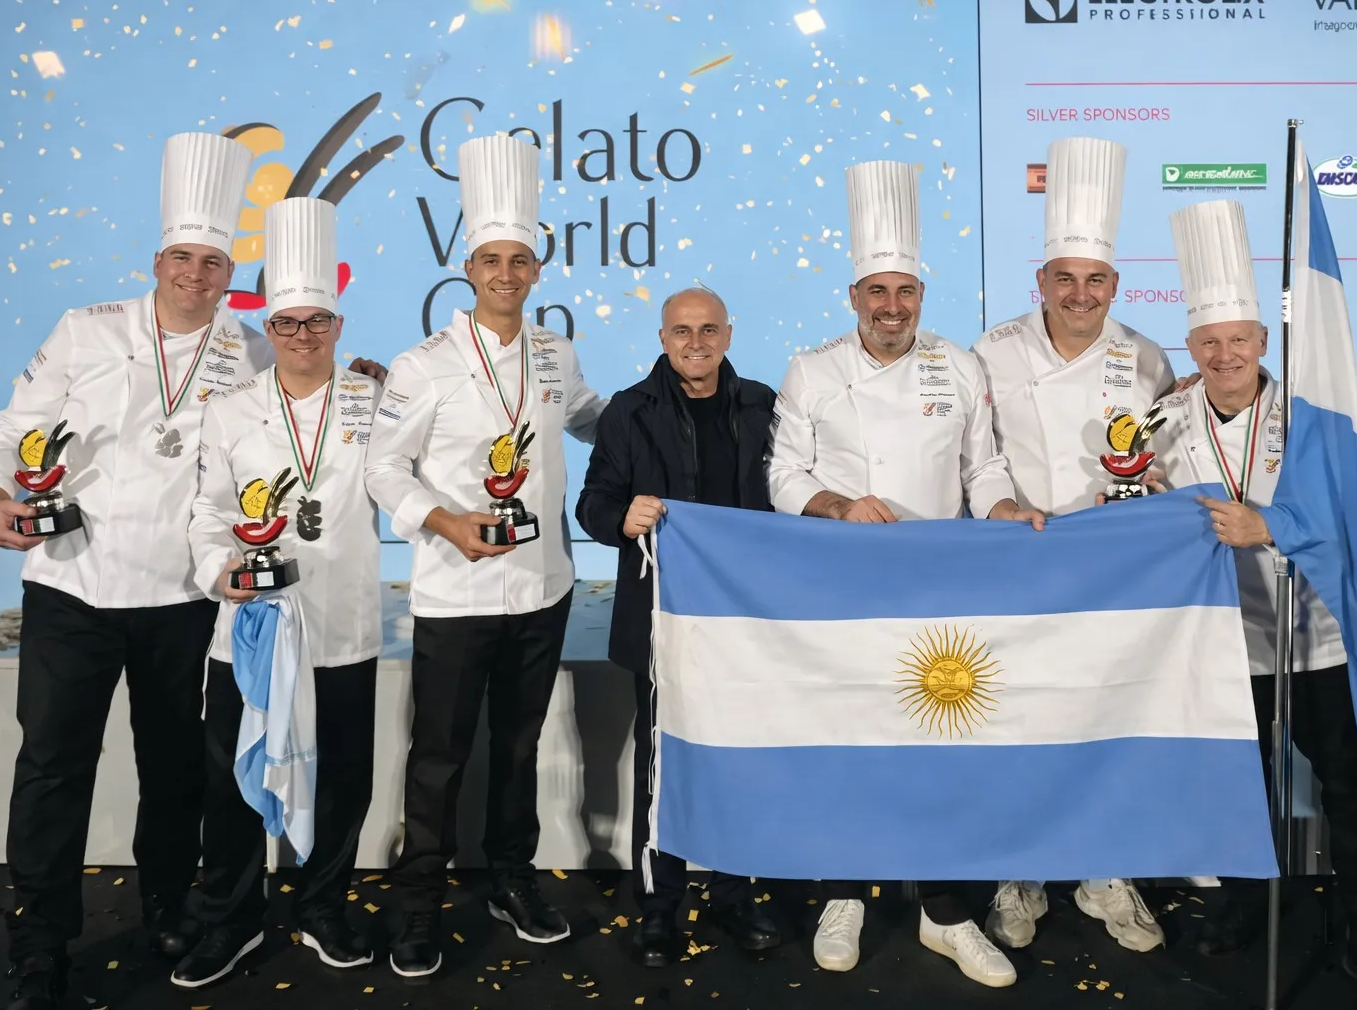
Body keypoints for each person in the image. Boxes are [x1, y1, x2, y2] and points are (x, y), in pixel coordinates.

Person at [0, 133, 267, 1010]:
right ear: (157, 261)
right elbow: (14, 427)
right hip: (72, 582)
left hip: (182, 594)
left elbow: (296, 416)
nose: (195, 273)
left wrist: (362, 379)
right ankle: (38, 942)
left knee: (174, 764)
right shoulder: (88, 327)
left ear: (229, 275)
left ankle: (166, 908)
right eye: (182, 257)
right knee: (52, 766)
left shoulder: (251, 350)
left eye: (211, 262)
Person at [769, 159, 1043, 989]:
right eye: (877, 292)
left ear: (922, 295)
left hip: (935, 586)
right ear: (853, 295)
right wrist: (838, 504)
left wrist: (1004, 509)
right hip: (842, 587)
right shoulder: (813, 369)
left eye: (906, 293)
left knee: (939, 746)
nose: (892, 307)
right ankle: (844, 895)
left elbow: (982, 468)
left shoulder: (958, 365)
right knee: (849, 740)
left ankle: (945, 912)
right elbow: (782, 475)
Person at [1136, 199, 1357, 985]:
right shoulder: (1159, 422)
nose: (1225, 355)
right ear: (1191, 347)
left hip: (1314, 633)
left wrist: (1271, 526)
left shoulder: (1313, 416)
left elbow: (1348, 515)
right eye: (1209, 342)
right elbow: (1140, 517)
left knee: (1347, 785)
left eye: (1239, 340)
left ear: (1262, 341)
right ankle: (1243, 903)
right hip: (1221, 643)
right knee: (1233, 787)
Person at [365, 133, 605, 979]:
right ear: (468, 268)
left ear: (537, 269)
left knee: (519, 746)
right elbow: (382, 467)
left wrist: (670, 405)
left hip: (542, 586)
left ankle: (512, 878)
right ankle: (418, 904)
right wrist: (443, 521)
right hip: (457, 593)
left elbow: (587, 415)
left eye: (520, 260)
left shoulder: (555, 353)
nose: (507, 274)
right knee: (438, 759)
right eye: (492, 260)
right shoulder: (422, 365)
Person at [171, 197, 384, 988]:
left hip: (342, 624)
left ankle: (323, 906)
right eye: (288, 322)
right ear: (270, 326)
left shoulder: (376, 402)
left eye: (316, 321)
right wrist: (217, 571)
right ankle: (230, 920)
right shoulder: (230, 410)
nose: (302, 335)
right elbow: (207, 513)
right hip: (251, 628)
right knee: (231, 779)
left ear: (337, 323)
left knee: (343, 779)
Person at [972, 136, 1175, 956]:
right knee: (1021, 719)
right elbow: (978, 453)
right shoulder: (993, 350)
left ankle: (1104, 869)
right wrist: (1001, 504)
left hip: (1109, 573)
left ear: (1114, 286)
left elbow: (1163, 462)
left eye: (1095, 280)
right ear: (1042, 281)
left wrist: (1149, 499)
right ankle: (1020, 871)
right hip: (1019, 562)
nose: (1079, 294)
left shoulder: (1148, 358)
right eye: (1065, 278)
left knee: (1107, 717)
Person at [575, 285, 781, 968]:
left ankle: (732, 894)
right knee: (661, 767)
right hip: (661, 622)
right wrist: (620, 518)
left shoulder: (762, 406)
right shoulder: (628, 411)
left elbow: (789, 494)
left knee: (737, 761)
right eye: (682, 331)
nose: (696, 343)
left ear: (729, 334)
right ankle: (659, 907)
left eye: (708, 330)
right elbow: (592, 502)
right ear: (663, 339)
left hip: (743, 622)